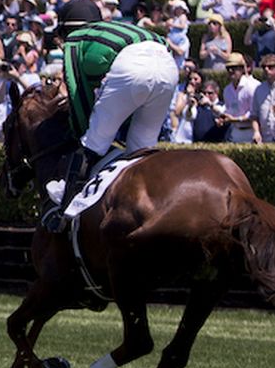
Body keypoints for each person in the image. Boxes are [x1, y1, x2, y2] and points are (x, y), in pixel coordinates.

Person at [42, 20, 178, 231]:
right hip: (168, 66)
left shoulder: (73, 41)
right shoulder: (115, 29)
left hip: (133, 67)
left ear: (62, 36)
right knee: (142, 150)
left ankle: (63, 211)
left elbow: (78, 93)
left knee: (93, 142)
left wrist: (82, 130)